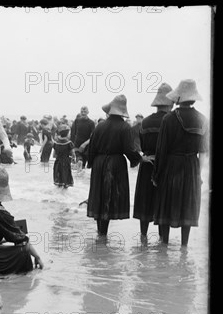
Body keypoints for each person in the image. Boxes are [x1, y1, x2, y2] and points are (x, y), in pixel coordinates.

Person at [151, 79, 208, 246]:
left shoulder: (169, 119)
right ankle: (184, 247)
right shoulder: (202, 119)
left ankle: (164, 245)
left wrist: (156, 175)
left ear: (178, 98)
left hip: (171, 166)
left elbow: (161, 150)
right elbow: (203, 152)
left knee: (167, 205)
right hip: (191, 165)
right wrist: (198, 173)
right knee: (187, 205)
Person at [86, 94, 142, 236]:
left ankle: (100, 232)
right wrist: (138, 159)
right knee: (109, 198)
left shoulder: (100, 126)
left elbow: (91, 147)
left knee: (99, 196)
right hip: (115, 164)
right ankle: (103, 234)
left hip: (99, 163)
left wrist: (91, 163)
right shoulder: (125, 127)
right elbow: (129, 149)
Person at [133, 83, 174, 240]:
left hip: (147, 164)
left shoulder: (145, 122)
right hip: (165, 166)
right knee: (163, 202)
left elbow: (142, 146)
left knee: (145, 201)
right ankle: (163, 240)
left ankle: (143, 237)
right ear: (170, 103)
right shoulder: (170, 120)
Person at [52, 123, 76, 188]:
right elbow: (73, 153)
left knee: (58, 177)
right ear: (67, 134)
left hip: (57, 161)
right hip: (66, 161)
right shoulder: (69, 143)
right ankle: (65, 193)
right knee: (65, 177)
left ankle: (59, 194)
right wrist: (73, 159)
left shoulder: (56, 142)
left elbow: (54, 155)